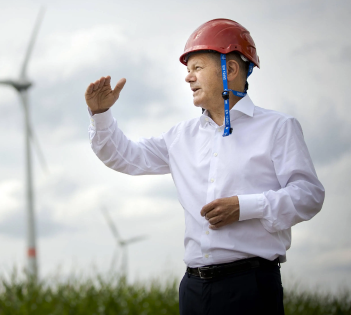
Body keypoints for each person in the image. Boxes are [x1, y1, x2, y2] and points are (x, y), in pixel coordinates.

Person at [85, 19, 325, 315]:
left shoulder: (278, 128)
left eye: (197, 68)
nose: (188, 78)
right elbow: (125, 156)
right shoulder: (179, 137)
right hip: (193, 289)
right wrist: (101, 113)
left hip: (250, 287)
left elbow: (309, 195)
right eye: (187, 71)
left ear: (231, 69)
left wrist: (245, 207)